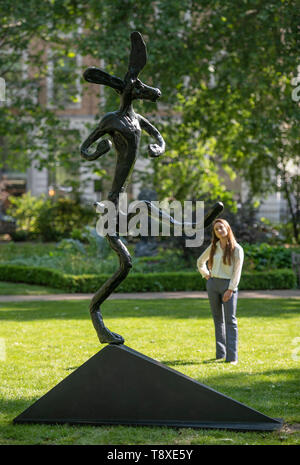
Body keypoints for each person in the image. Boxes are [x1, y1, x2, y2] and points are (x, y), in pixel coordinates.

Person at [197, 219, 244, 364]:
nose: (219, 231)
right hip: (213, 284)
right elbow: (200, 262)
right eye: (216, 229)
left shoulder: (237, 249)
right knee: (218, 320)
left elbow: (237, 272)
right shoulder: (214, 247)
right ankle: (220, 354)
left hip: (228, 286)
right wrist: (206, 275)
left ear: (227, 228)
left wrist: (230, 289)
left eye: (221, 227)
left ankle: (232, 358)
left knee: (230, 321)